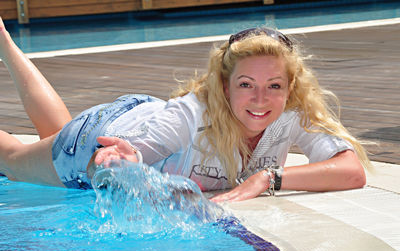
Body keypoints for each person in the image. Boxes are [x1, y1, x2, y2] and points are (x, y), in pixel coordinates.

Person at [0, 17, 370, 202]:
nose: (260, 99)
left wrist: (269, 178)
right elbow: (106, 160)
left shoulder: (294, 111)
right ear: (224, 87)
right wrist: (116, 160)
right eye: (246, 85)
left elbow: (351, 171)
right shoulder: (191, 115)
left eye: (273, 86)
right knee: (13, 161)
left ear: (290, 87)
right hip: (95, 137)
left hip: (141, 113)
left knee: (52, 133)